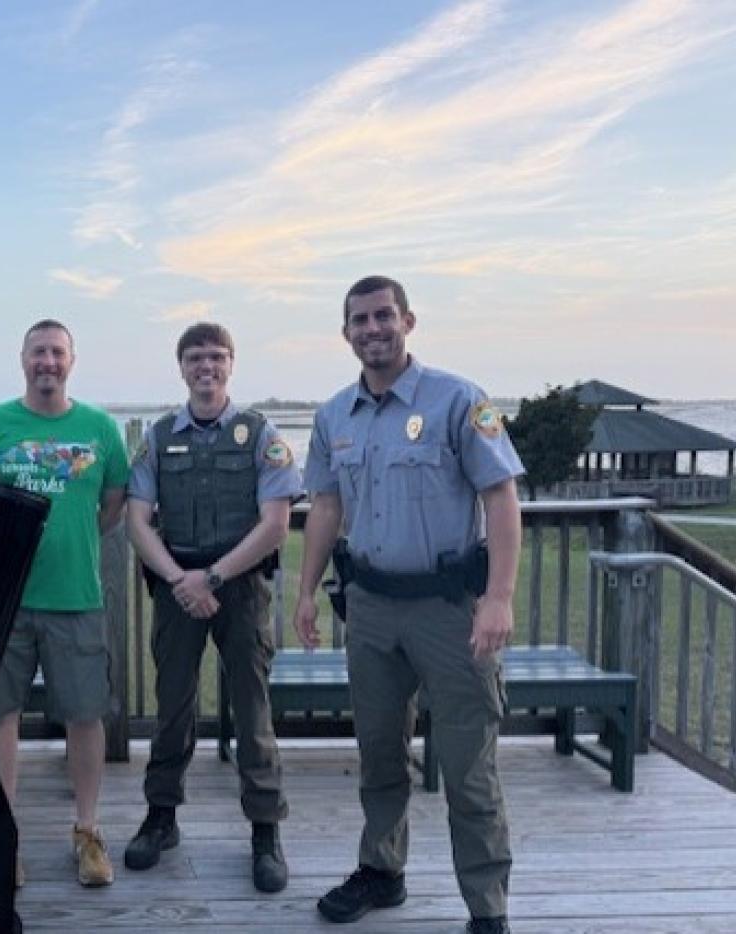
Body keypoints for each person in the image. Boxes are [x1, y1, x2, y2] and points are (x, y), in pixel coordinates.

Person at [292, 276, 522, 934]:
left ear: (407, 321)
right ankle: (382, 870)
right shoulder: (334, 415)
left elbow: (501, 499)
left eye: (383, 316)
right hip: (369, 608)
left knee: (466, 766)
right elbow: (327, 507)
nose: (372, 329)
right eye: (359, 320)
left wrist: (498, 597)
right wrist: (306, 592)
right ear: (346, 334)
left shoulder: (460, 400)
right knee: (380, 754)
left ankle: (487, 907)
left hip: (450, 611)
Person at [123, 321, 300, 893]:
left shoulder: (260, 433)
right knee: (172, 704)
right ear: (181, 367)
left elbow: (276, 525)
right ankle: (162, 816)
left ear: (231, 365)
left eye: (217, 357)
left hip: (241, 586)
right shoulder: (157, 437)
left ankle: (265, 829)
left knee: (252, 709)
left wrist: (216, 577)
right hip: (177, 585)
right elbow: (136, 520)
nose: (207, 366)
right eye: (196, 357)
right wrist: (182, 580)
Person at [0, 319, 129, 888]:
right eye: (38, 353)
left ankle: (87, 831)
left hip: (75, 597)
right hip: (2, 599)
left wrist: (67, 542)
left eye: (57, 352)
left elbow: (110, 508)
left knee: (84, 715)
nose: (47, 362)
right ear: (22, 359)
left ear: (71, 360)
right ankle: (5, 839)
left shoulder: (100, 428)